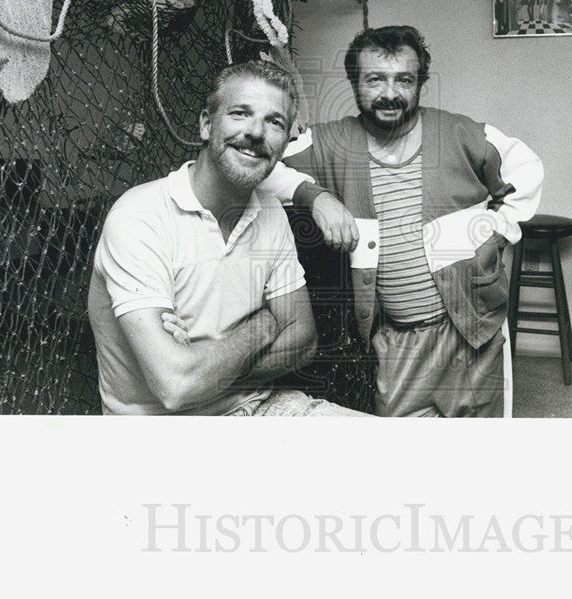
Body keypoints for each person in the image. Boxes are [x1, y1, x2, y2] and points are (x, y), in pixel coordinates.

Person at [260, 26, 544, 417]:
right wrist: (317, 197)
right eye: (375, 79)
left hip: (472, 328)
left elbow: (525, 168)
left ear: (420, 83)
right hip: (394, 339)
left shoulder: (459, 133)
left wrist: (495, 230)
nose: (390, 93)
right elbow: (261, 168)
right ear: (356, 83)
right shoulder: (332, 142)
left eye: (404, 80)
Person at [87, 60, 366, 416]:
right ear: (206, 124)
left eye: (274, 122)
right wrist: (263, 324)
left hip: (262, 408)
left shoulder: (270, 212)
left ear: (285, 142)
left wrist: (204, 363)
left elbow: (303, 340)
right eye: (240, 113)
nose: (256, 132)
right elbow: (175, 386)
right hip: (162, 435)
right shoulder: (139, 216)